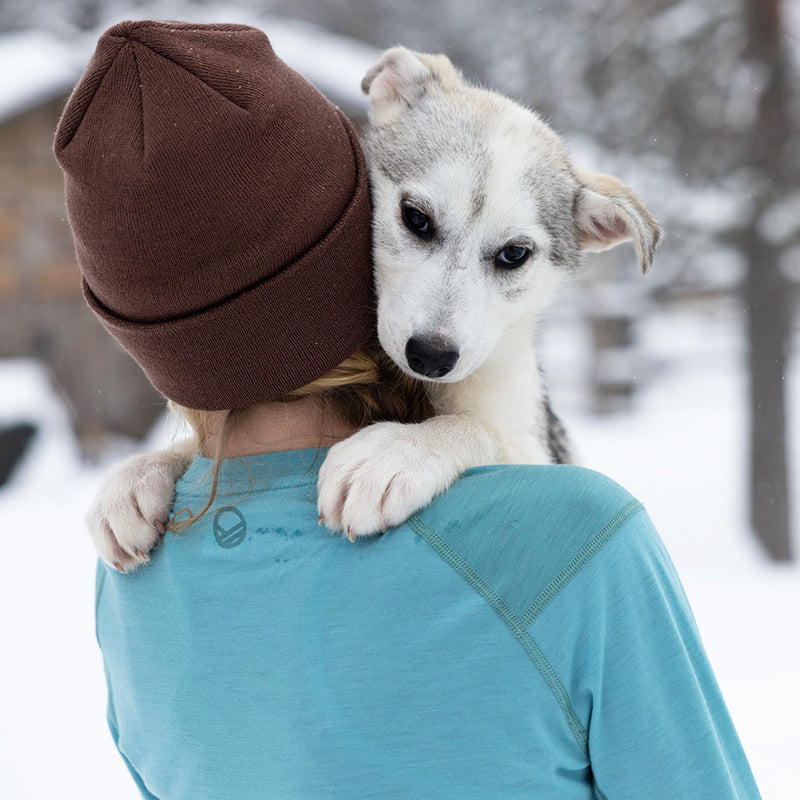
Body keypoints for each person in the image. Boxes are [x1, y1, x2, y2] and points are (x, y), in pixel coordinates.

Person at [56, 20, 762, 800]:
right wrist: (169, 464)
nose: (438, 330)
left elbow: (512, 447)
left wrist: (443, 441)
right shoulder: (585, 550)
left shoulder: (134, 587)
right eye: (418, 224)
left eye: (511, 257)